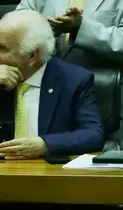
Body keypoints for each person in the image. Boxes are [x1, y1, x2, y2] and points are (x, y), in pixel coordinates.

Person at [0, 10, 103, 158]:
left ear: (32, 56)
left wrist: (45, 144)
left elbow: (93, 135)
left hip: (47, 169)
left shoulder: (74, 80)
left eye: (2, 48)